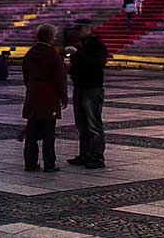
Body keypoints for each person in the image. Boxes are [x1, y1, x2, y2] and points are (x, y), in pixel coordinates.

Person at [21, 24, 67, 172]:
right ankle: (49, 163)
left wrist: (31, 86)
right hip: (49, 95)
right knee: (49, 131)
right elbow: (60, 78)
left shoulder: (30, 53)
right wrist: (64, 96)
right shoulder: (52, 54)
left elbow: (25, 75)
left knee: (31, 131)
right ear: (51, 37)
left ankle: (30, 163)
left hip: (33, 93)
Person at [67, 19, 107, 169]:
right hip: (80, 86)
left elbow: (96, 64)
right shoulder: (81, 45)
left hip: (92, 87)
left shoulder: (96, 45)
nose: (77, 33)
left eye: (79, 29)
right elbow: (79, 65)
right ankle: (85, 154)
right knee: (81, 124)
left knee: (93, 124)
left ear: (87, 28)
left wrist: (78, 54)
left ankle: (97, 156)